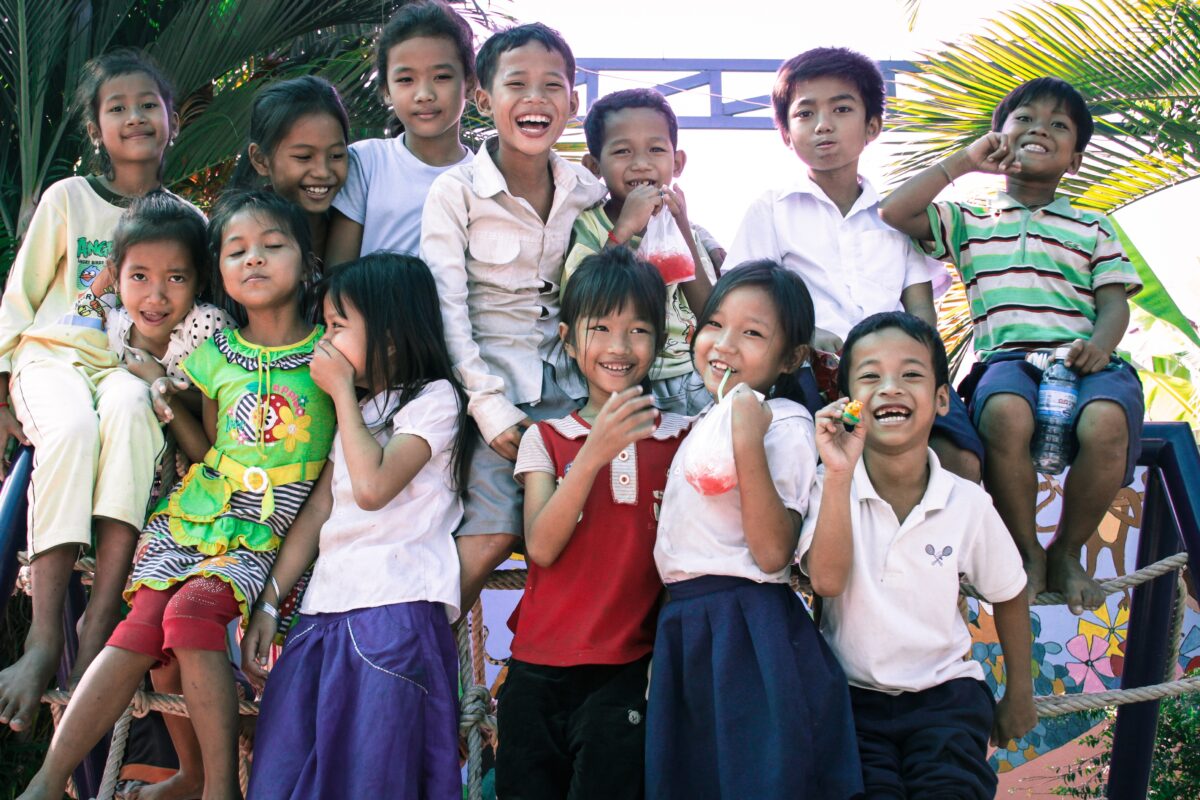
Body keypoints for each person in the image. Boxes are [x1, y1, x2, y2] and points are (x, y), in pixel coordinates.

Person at [16, 189, 335, 800]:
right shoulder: (217, 356)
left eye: (273, 247)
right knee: (140, 626)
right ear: (221, 270)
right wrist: (162, 390)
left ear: (307, 260)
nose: (255, 260)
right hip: (197, 515)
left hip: (267, 530)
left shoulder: (328, 353)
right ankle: (47, 781)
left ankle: (220, 790)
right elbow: (209, 445)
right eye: (237, 250)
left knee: (192, 617)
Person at [878, 76, 1143, 613]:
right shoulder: (970, 219)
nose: (1039, 128)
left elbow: (1116, 302)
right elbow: (894, 211)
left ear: (1075, 160)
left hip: (1087, 358)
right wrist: (965, 161)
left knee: (1107, 423)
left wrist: (1098, 344)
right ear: (999, 136)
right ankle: (1027, 551)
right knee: (1002, 413)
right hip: (1007, 359)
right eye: (1024, 118)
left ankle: (1067, 551)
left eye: (1059, 125)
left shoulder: (1093, 224)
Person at [0, 49, 194, 733]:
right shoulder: (68, 199)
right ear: (95, 129)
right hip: (53, 359)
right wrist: (1, 394)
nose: (135, 116)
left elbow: (188, 329)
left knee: (134, 413)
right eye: (118, 107)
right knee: (74, 431)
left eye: (149, 104)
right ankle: (44, 635)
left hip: (127, 371)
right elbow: (19, 299)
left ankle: (101, 616)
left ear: (173, 120)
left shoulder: (185, 219)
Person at [240, 253, 473, 799]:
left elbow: (372, 489)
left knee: (373, 782)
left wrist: (343, 392)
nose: (324, 340)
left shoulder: (433, 399)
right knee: (281, 775)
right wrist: (271, 604)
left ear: (390, 335)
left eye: (338, 325)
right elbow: (321, 511)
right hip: (322, 615)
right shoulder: (363, 411)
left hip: (393, 616)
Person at [647, 262, 862, 799]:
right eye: (715, 323)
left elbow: (772, 554)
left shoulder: (784, 422)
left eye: (753, 333)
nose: (724, 344)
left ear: (790, 358)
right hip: (692, 626)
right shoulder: (709, 419)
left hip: (746, 630)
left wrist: (747, 436)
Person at [800, 312, 1037, 799]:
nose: (890, 387)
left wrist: (1020, 692)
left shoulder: (966, 502)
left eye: (911, 374)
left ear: (942, 399)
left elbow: (1009, 593)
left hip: (946, 697)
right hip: (851, 701)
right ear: (845, 404)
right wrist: (840, 475)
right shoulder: (827, 488)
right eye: (870, 376)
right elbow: (824, 581)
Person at [722, 48, 982, 481]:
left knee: (960, 459)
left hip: (893, 371)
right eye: (805, 114)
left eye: (842, 109)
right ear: (786, 133)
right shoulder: (771, 210)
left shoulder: (896, 214)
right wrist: (802, 334)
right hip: (810, 371)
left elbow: (919, 305)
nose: (823, 124)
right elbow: (742, 299)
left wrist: (919, 359)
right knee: (816, 461)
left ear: (872, 126)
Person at [420, 22, 607, 613]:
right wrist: (488, 405)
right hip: (491, 393)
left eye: (552, 86)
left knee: (601, 531)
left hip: (576, 389)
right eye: (516, 84)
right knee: (492, 531)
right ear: (484, 100)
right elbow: (446, 310)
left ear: (573, 104)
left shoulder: (587, 190)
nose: (535, 100)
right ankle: (415, 673)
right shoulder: (456, 193)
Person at [497, 248, 689, 798]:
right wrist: (592, 452)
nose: (618, 346)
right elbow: (541, 545)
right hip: (535, 665)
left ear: (659, 340)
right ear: (568, 337)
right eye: (600, 327)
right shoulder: (547, 437)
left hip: (627, 669)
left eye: (638, 329)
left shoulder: (682, 438)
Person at [563, 88, 716, 415]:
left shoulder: (682, 226)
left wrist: (683, 227)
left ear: (677, 163)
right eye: (622, 151)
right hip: (618, 378)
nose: (641, 163)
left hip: (691, 376)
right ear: (593, 166)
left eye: (656, 149)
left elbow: (709, 313)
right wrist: (623, 231)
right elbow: (581, 302)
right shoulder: (590, 226)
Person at [325, 0, 475, 266]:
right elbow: (337, 276)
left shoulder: (487, 178)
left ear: (470, 83)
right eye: (406, 79)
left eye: (441, 76)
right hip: (368, 307)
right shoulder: (366, 162)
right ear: (385, 89)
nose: (424, 95)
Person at [232, 75, 350, 262]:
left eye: (336, 155)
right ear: (261, 160)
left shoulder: (356, 224)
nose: (323, 172)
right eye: (304, 157)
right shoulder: (239, 237)